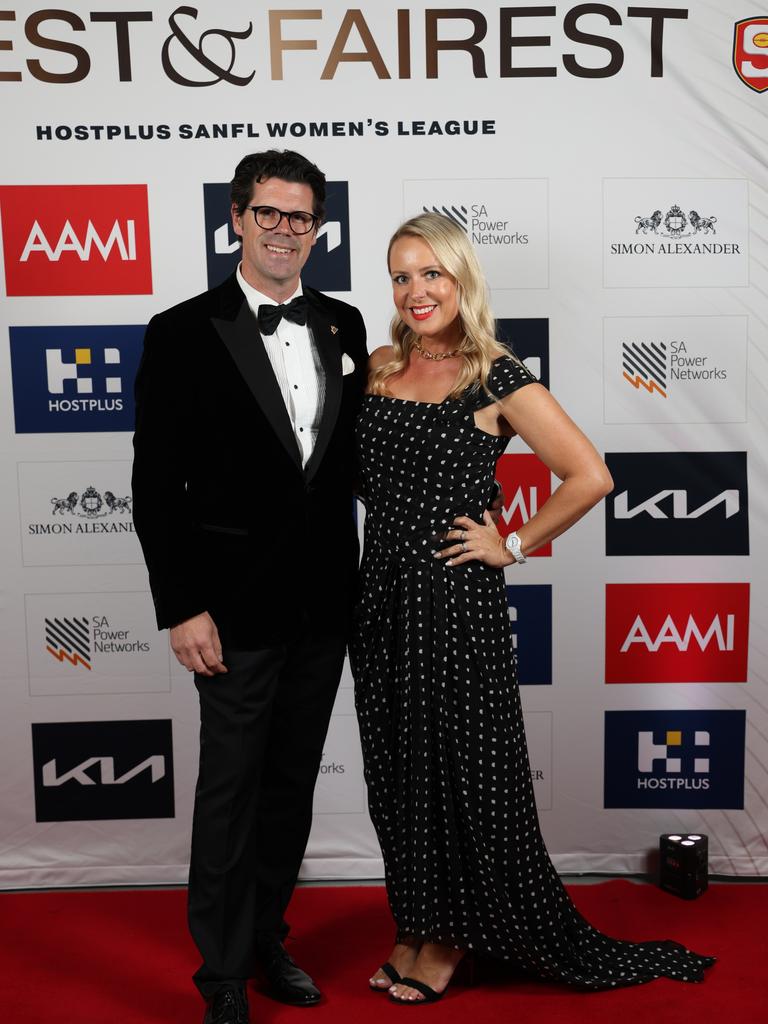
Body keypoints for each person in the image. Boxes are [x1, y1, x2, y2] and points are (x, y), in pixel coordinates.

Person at [350, 212, 715, 1003]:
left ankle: (451, 939)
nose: (417, 291)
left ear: (462, 278)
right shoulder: (379, 366)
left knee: (460, 771)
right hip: (378, 598)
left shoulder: (498, 377)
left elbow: (591, 476)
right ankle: (413, 923)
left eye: (432, 274)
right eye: (402, 275)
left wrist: (511, 544)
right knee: (396, 772)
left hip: (453, 600)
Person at [131, 150, 368, 1024]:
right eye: (267, 213)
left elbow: (345, 468)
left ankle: (268, 938)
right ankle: (222, 976)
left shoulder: (344, 325)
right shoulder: (183, 329)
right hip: (229, 610)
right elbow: (156, 485)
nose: (283, 231)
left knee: (289, 786)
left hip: (324, 606)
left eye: (300, 217)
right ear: (235, 218)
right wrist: (181, 605)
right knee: (229, 790)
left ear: (317, 228)